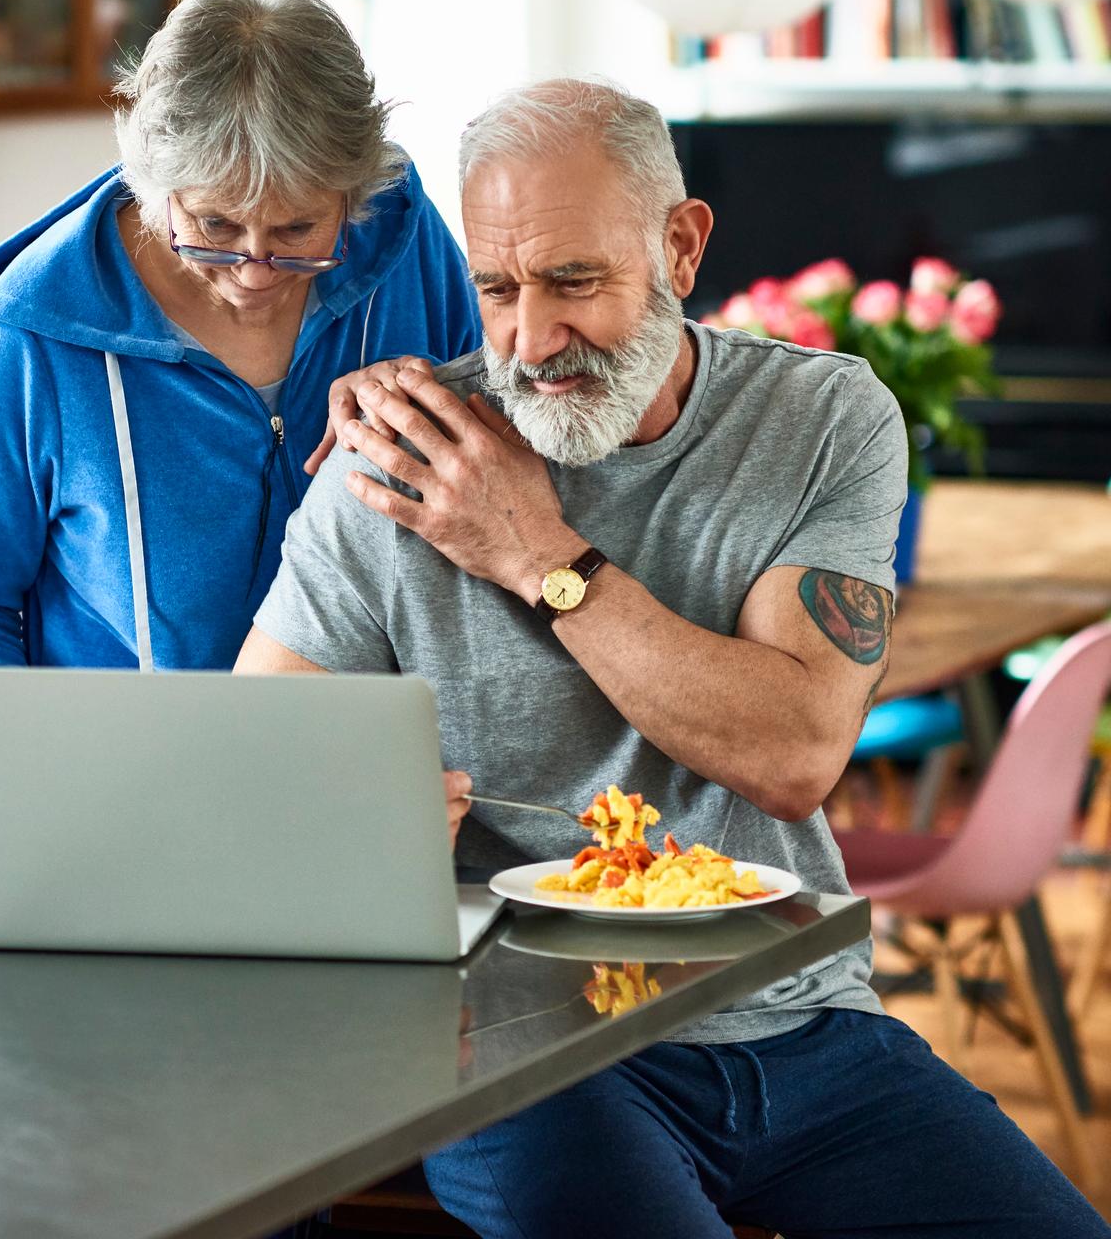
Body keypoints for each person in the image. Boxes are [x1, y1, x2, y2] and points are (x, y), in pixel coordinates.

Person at [236, 80, 1110, 1237]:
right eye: (496, 289)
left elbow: (793, 752)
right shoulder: (400, 460)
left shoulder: (823, 421)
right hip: (522, 1056)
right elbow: (252, 784)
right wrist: (360, 825)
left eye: (574, 283)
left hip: (804, 1024)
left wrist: (538, 553)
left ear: (682, 246)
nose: (529, 340)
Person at [0, 0, 480, 674]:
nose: (256, 270)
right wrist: (29, 766)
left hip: (386, 761)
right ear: (154, 185)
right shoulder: (37, 332)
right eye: (215, 226)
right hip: (129, 773)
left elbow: (503, 483)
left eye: (298, 228)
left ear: (355, 192)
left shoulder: (407, 247)